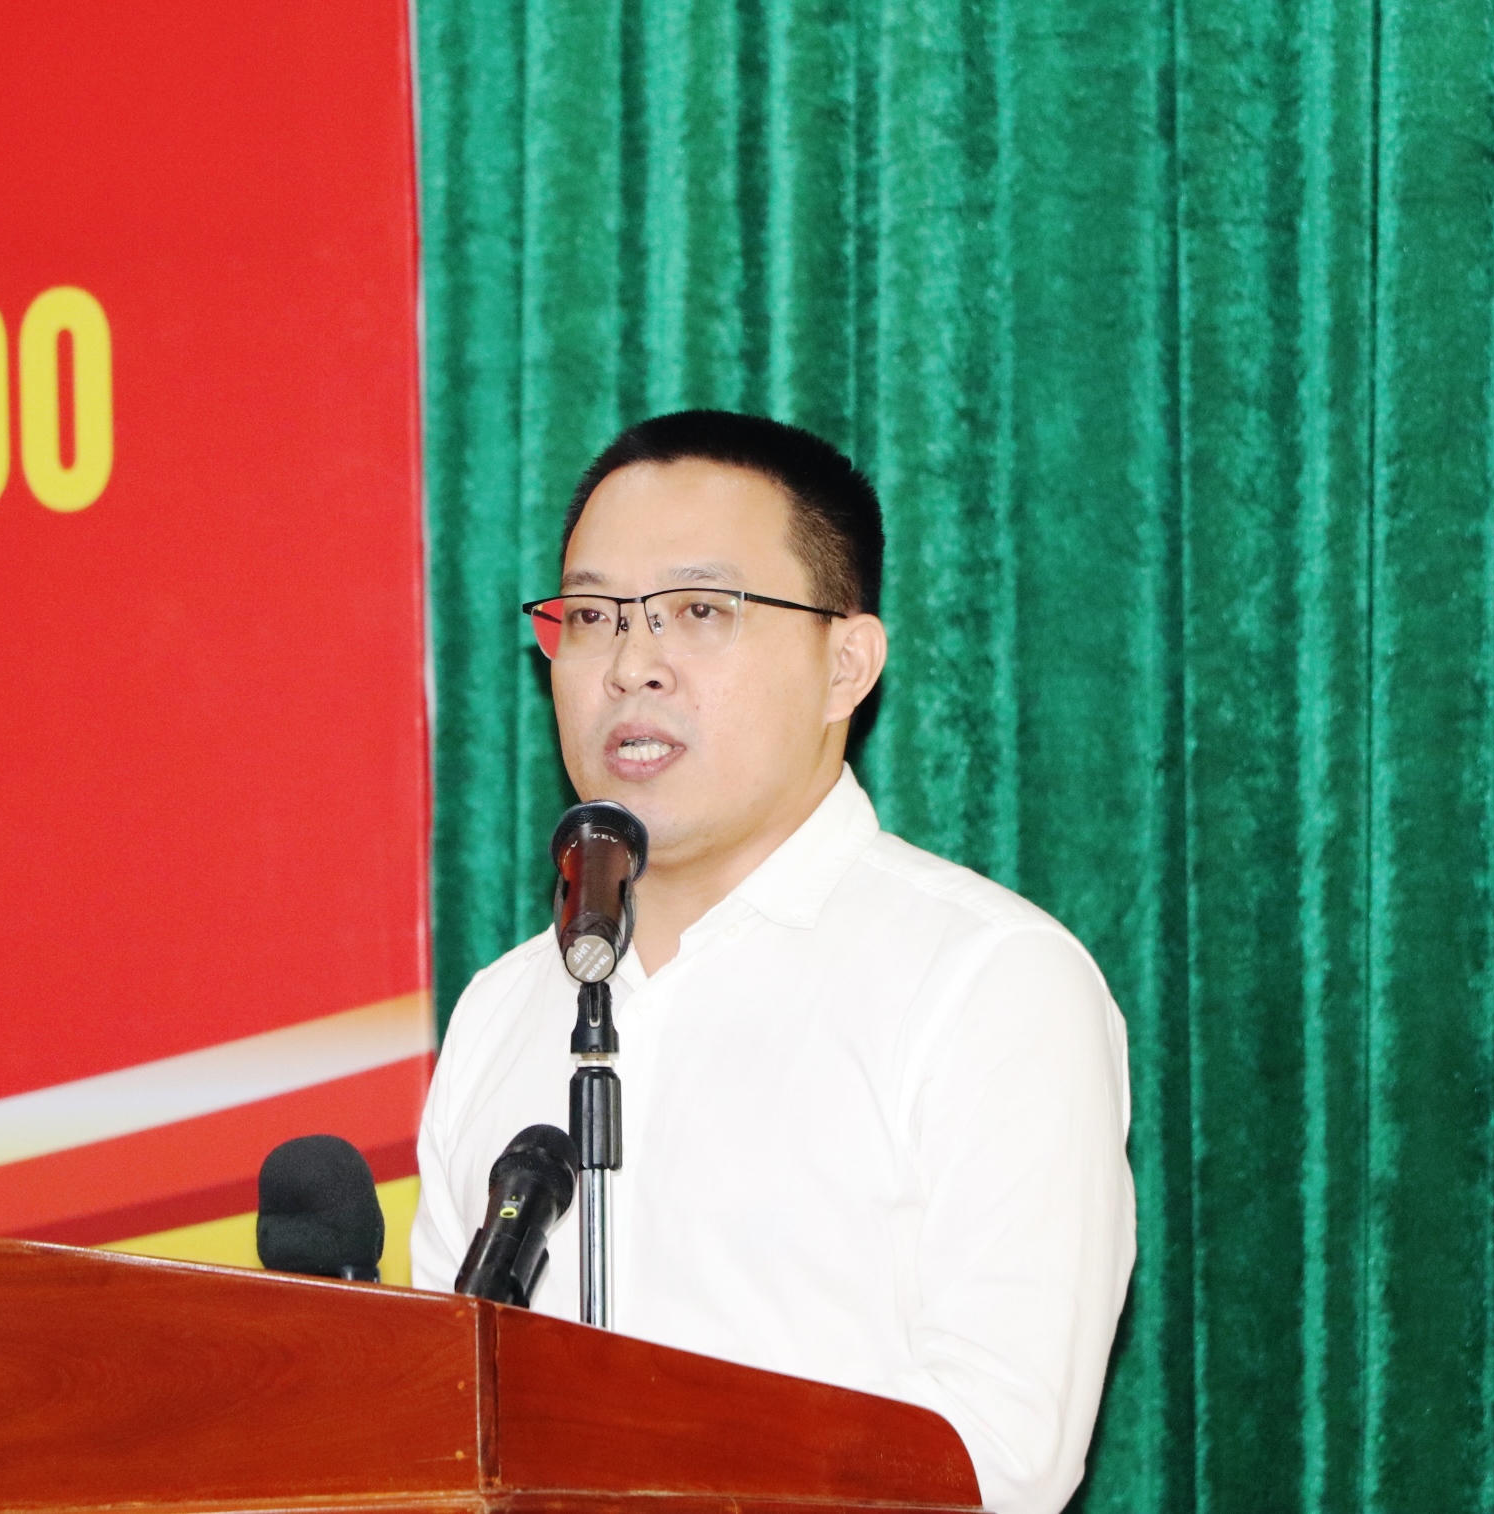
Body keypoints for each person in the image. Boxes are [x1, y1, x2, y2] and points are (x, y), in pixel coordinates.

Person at [411, 410, 1134, 1514]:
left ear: (847, 664)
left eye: (701, 611)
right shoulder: (503, 1007)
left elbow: (996, 1455)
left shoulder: (990, 983)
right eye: (593, 616)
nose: (632, 666)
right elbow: (433, 1424)